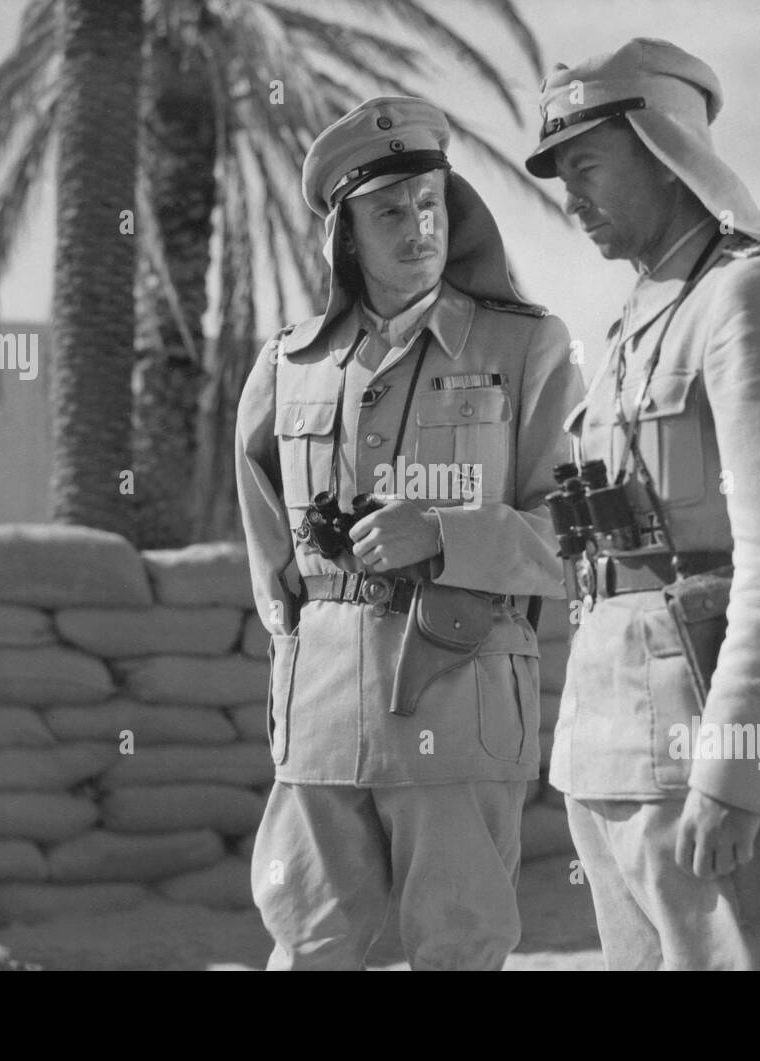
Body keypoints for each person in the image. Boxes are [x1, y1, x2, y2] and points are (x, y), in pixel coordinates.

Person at [525, 38, 760, 970]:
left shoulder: (749, 298)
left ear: (664, 148)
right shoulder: (637, 319)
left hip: (698, 739)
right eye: (559, 174)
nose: (570, 196)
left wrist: (741, 768)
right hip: (604, 746)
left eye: (586, 164)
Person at [235, 96, 583, 970]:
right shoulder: (289, 364)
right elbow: (269, 554)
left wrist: (446, 532)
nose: (417, 225)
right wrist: (293, 663)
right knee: (309, 941)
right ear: (344, 233)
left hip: (461, 700)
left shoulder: (525, 348)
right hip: (320, 714)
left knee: (458, 945)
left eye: (430, 202)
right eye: (388, 210)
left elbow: (575, 534)